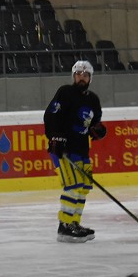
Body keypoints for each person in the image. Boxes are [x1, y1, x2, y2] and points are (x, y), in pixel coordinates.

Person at [44, 59, 106, 243]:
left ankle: (74, 223)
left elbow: (95, 122)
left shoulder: (93, 99)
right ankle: (64, 226)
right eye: (78, 74)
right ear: (73, 76)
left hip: (81, 149)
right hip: (63, 149)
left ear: (90, 78)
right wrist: (55, 137)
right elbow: (51, 115)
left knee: (84, 187)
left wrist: (98, 130)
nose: (81, 77)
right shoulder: (65, 92)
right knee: (73, 186)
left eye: (85, 75)